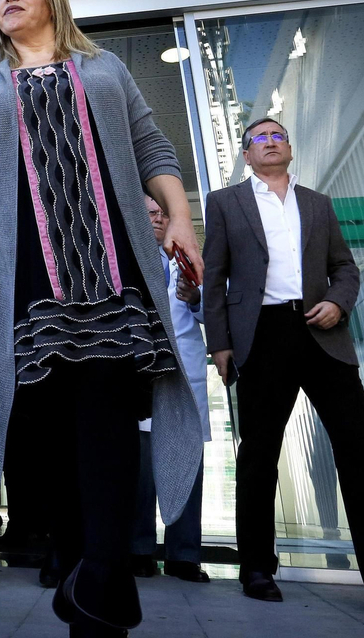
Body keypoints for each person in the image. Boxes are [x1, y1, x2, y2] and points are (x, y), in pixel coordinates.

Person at [0, 0, 204, 638]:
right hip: (27, 279)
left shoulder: (105, 69)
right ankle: (91, 576)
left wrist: (178, 217)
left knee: (109, 430)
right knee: (46, 437)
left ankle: (100, 588)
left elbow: (153, 148)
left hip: (112, 274)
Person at [203, 117, 364, 628]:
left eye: (278, 135)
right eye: (259, 138)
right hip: (261, 335)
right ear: (246, 155)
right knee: (260, 452)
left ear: (290, 149)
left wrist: (337, 302)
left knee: (362, 453)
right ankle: (257, 569)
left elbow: (346, 268)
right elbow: (215, 276)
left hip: (321, 333)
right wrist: (218, 343)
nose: (270, 142)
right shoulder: (225, 203)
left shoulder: (318, 203)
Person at [130, 198, 210, 583]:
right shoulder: (124, 261)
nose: (160, 218)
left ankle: (184, 555)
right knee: (140, 468)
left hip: (183, 372)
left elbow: (215, 312)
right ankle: (139, 550)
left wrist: (195, 299)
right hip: (141, 371)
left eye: (165, 213)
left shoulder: (188, 259)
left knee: (187, 459)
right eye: (151, 213)